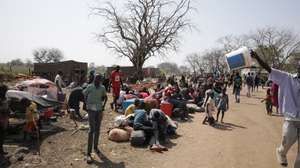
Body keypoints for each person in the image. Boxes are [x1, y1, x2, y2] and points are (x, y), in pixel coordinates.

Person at [251, 50, 300, 167]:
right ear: (298, 68)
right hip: (291, 117)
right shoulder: (287, 78)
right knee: (288, 138)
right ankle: (281, 152)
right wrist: (257, 57)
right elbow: (269, 69)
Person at [83, 74, 107, 164]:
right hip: (91, 110)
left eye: (99, 79)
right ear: (94, 79)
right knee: (91, 130)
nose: (97, 80)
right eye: (96, 78)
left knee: (98, 129)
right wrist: (85, 104)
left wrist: (103, 106)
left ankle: (96, 147)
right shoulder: (90, 87)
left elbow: (105, 97)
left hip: (99, 110)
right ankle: (88, 153)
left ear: (100, 80)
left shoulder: (102, 88)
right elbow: (84, 94)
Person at [0, 84, 9, 157]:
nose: (6, 92)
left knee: (3, 135)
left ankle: (1, 150)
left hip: (4, 119)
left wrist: (9, 111)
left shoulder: (4, 98)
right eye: (5, 90)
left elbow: (6, 107)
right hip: (1, 119)